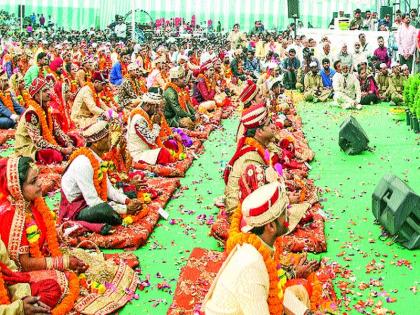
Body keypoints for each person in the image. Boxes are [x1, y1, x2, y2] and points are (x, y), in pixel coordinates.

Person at [0, 157, 138, 315]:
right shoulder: (12, 215)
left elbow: (44, 235)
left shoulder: (33, 203)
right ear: (17, 188)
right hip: (23, 270)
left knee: (88, 263)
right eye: (33, 182)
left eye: (38, 177)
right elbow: (23, 264)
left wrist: (59, 234)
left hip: (43, 256)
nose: (40, 183)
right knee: (56, 285)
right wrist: (63, 262)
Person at [203, 182, 315, 315]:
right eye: (285, 212)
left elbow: (276, 291)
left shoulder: (264, 245)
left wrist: (306, 313)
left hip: (255, 302)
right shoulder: (251, 268)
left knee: (301, 292)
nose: (289, 214)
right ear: (271, 227)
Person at [60, 120, 143, 234]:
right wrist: (125, 209)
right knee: (105, 210)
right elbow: (93, 201)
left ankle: (117, 211)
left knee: (129, 194)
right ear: (96, 143)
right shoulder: (83, 163)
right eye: (107, 137)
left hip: (91, 199)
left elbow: (108, 190)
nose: (110, 140)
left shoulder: (98, 159)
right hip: (77, 208)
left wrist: (127, 201)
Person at [224, 103, 276, 217]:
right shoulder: (251, 158)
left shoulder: (256, 146)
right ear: (259, 132)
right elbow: (260, 199)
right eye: (269, 124)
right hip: (241, 214)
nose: (273, 126)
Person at [14, 78, 74, 164]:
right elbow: (38, 142)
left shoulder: (46, 109)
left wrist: (68, 143)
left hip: (44, 142)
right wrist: (62, 149)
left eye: (48, 89)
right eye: (45, 90)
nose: (49, 92)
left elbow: (57, 131)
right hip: (28, 148)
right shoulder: (31, 114)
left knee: (72, 138)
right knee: (55, 155)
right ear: (37, 95)